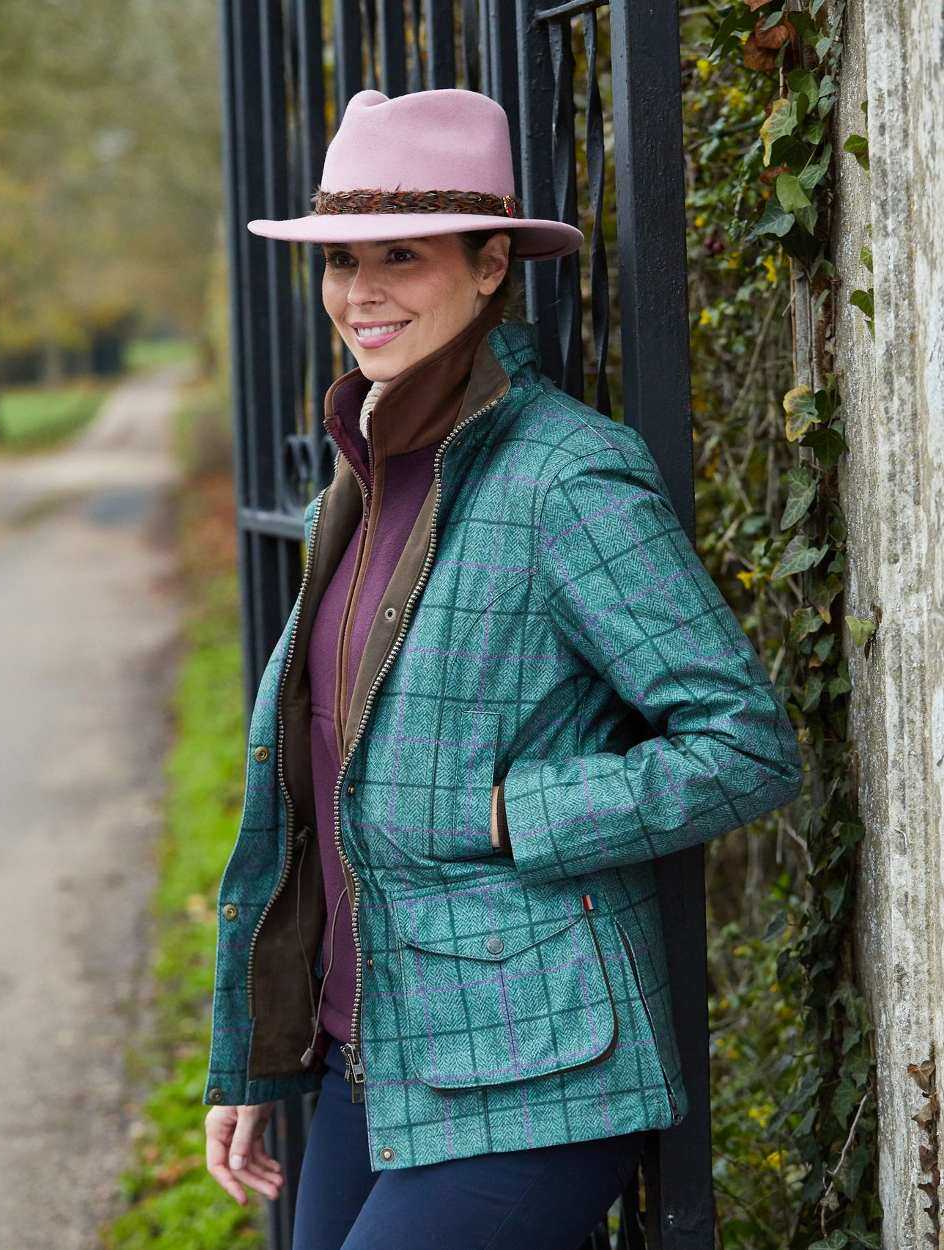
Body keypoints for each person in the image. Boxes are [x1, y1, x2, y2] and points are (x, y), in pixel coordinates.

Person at [203, 88, 804, 1249]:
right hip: (370, 1050)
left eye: (400, 256)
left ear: (489, 268)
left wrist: (506, 807)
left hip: (533, 1063)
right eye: (339, 261)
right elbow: (308, 788)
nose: (358, 294)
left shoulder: (565, 477)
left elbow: (743, 742)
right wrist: (254, 1050)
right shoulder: (367, 469)